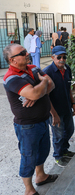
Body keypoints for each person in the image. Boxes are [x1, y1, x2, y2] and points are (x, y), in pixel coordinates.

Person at [3, 43, 57, 195]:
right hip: (27, 126)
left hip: (42, 120)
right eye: (23, 52)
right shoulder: (11, 78)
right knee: (28, 156)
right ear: (12, 60)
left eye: (26, 51)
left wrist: (38, 91)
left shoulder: (33, 68)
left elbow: (52, 85)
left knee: (43, 150)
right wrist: (43, 83)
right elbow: (37, 91)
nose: (27, 53)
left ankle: (40, 176)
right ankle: (29, 190)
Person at [44, 46, 75, 168]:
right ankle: (58, 157)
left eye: (64, 57)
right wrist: (54, 114)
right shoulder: (47, 72)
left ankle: (64, 150)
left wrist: (73, 104)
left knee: (69, 130)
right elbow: (45, 96)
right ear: (53, 57)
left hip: (66, 107)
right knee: (58, 135)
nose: (62, 59)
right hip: (54, 111)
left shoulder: (67, 69)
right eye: (59, 57)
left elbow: (68, 88)